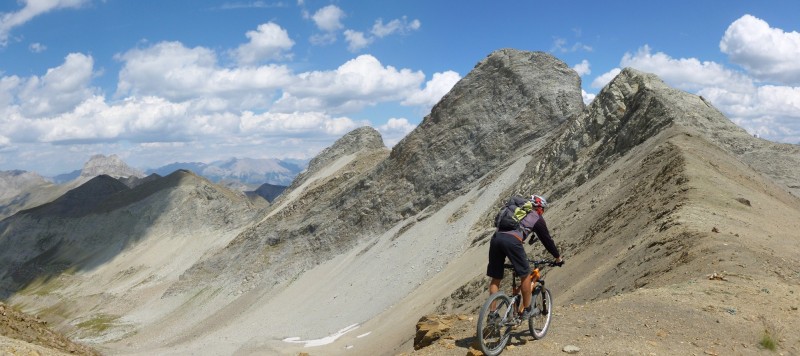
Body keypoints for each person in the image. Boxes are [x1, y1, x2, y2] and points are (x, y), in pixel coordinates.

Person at [486, 194, 563, 320]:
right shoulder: (536, 217)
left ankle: (492, 314)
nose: (542, 212)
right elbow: (547, 240)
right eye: (543, 209)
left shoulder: (514, 210)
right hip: (512, 241)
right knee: (525, 275)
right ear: (540, 207)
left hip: (496, 239)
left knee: (496, 278)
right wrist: (557, 257)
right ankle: (527, 310)